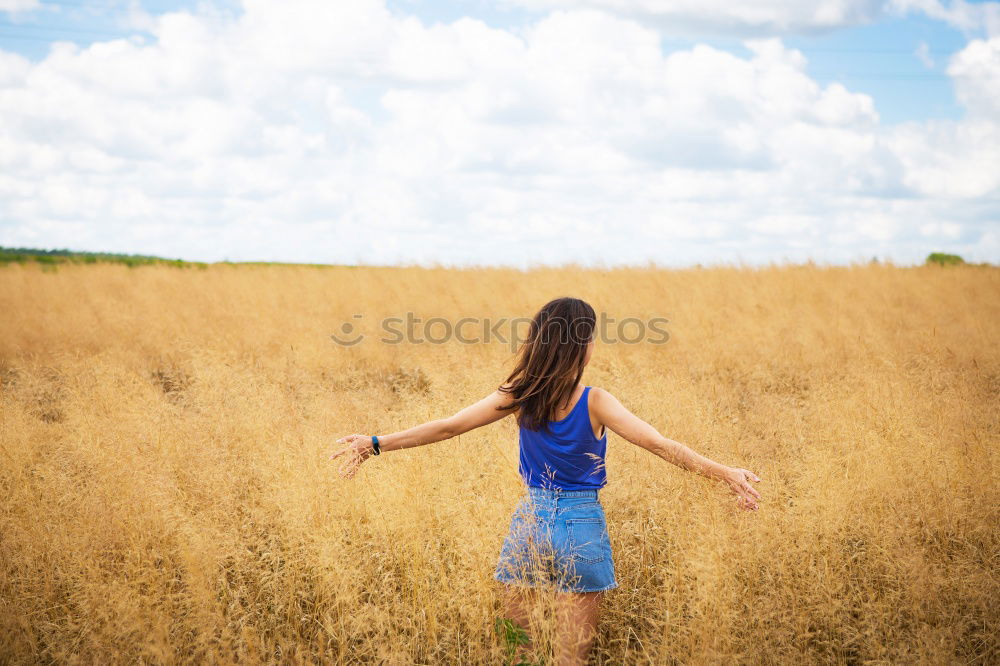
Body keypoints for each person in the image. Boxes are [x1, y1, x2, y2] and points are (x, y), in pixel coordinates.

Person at [331, 296, 762, 665]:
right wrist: (726, 474)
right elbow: (661, 444)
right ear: (583, 346)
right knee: (570, 657)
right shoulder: (595, 400)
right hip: (582, 525)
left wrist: (374, 443)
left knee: (520, 650)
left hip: (531, 521)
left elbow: (448, 426)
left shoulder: (520, 392)